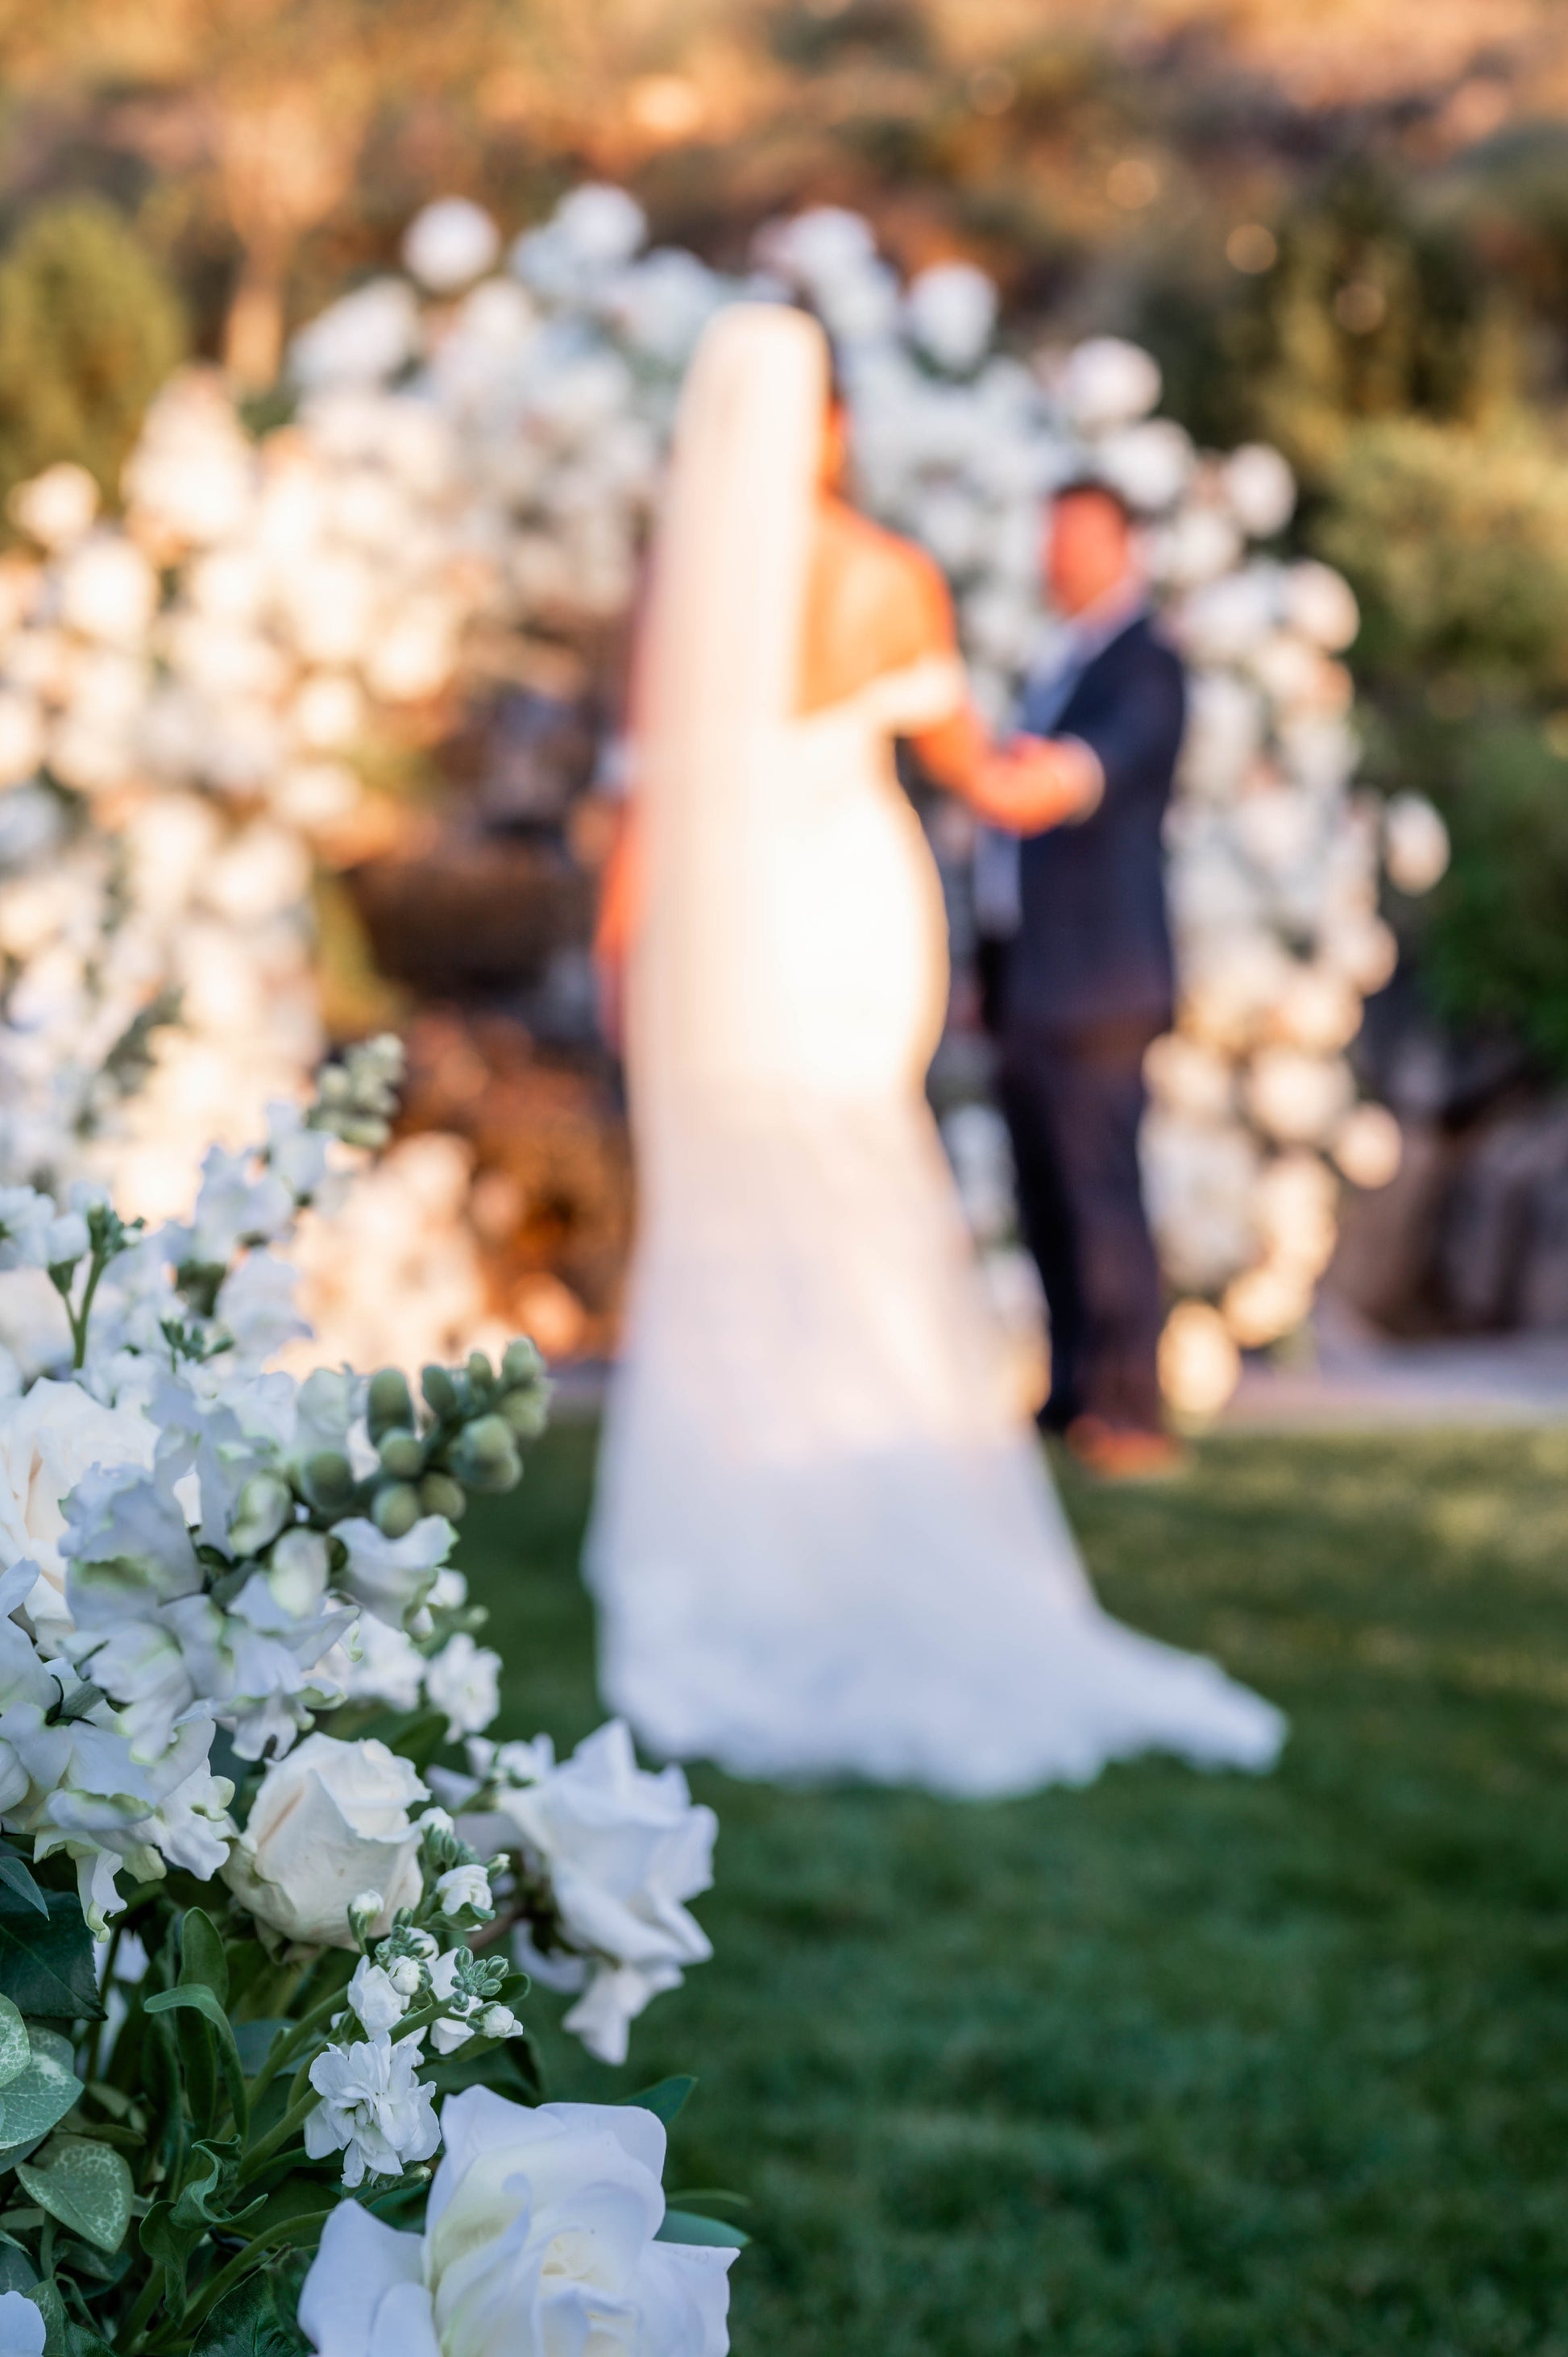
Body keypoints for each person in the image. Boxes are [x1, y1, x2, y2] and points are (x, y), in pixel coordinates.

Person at [586, 304, 1282, 1798]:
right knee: (856, 1198)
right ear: (829, 425)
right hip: (835, 921)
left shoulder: (685, 589)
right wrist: (1057, 779)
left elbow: (643, 813)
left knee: (740, 1217)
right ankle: (867, 1486)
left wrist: (620, 960)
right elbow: (974, 770)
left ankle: (749, 1526)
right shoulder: (883, 578)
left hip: (719, 942)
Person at [984, 478, 1186, 1479]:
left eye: (1075, 537)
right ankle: (1071, 1393)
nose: (1054, 557)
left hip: (1100, 983)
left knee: (1101, 1194)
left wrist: (986, 776)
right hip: (1029, 978)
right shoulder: (1056, 660)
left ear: (1125, 547)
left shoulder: (1145, 664)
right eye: (1048, 535)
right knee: (1045, 1195)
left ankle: (1128, 1406)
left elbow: (1078, 774)